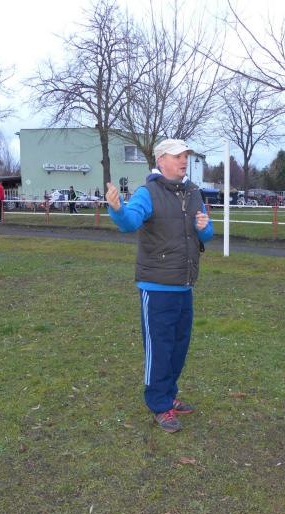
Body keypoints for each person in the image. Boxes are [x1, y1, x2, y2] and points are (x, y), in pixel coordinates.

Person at [106, 139, 213, 433]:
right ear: (161, 159)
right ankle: (158, 404)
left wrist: (205, 228)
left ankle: (169, 394)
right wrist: (117, 209)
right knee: (160, 348)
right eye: (177, 156)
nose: (183, 161)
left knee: (178, 347)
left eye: (185, 156)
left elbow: (207, 233)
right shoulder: (148, 193)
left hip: (184, 285)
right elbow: (129, 223)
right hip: (156, 287)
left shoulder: (193, 192)